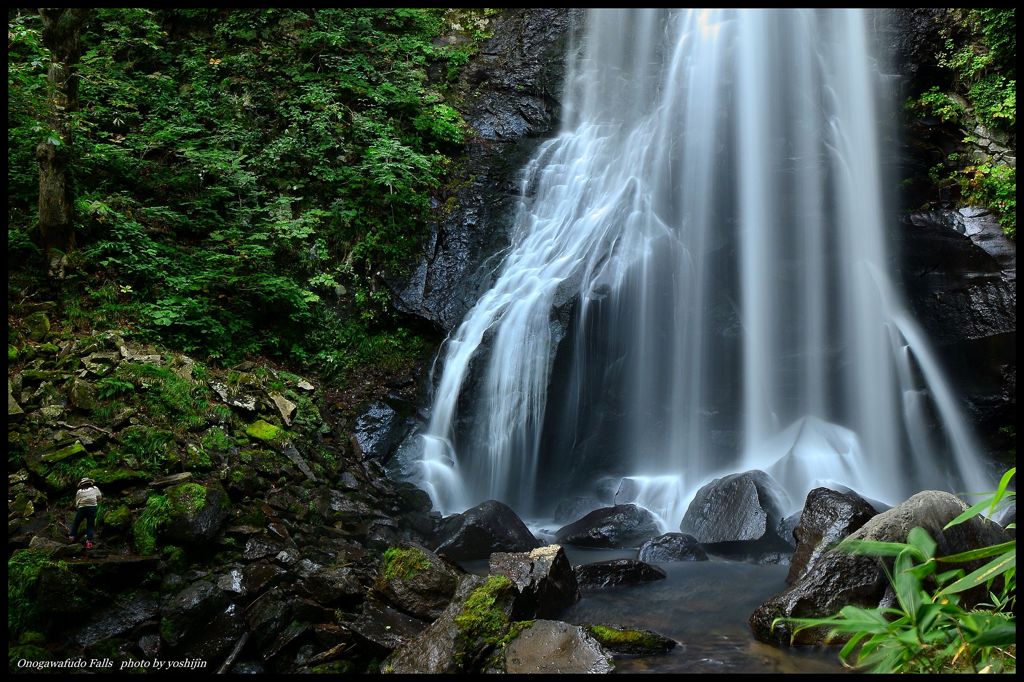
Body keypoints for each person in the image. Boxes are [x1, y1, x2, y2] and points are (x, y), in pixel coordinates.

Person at [69, 477, 102, 549]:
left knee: (76, 522)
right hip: (92, 508)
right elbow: (99, 497)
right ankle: (89, 542)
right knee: (90, 525)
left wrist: (78, 507)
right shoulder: (95, 488)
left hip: (82, 508)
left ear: (82, 484)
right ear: (90, 483)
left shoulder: (79, 491)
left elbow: (77, 502)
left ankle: (72, 537)